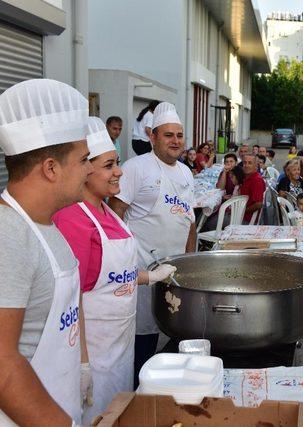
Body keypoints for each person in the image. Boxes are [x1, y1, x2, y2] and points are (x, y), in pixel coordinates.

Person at [0, 79, 91, 426]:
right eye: (84, 159)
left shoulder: (44, 224)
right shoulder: (0, 236)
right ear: (50, 168)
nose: (89, 169)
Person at [52, 117, 176, 424]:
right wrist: (82, 364)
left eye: (116, 163)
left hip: (119, 346)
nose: (119, 171)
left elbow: (109, 276)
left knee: (117, 412)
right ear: (84, 170)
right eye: (109, 166)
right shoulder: (73, 220)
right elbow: (71, 297)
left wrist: (149, 277)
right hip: (92, 350)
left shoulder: (107, 211)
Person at [108, 102, 196, 387]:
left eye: (179, 135)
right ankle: (136, 397)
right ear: (152, 137)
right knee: (142, 341)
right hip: (142, 270)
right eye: (168, 135)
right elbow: (114, 213)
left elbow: (190, 222)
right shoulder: (136, 168)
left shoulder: (185, 173)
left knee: (174, 335)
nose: (175, 141)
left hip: (175, 271)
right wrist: (120, 263)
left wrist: (190, 263)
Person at [240, 154, 267, 223]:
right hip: (240, 214)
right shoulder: (247, 177)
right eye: (244, 163)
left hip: (245, 219)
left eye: (250, 163)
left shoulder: (256, 180)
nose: (246, 165)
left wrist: (241, 211)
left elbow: (258, 204)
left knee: (211, 222)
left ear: (256, 166)